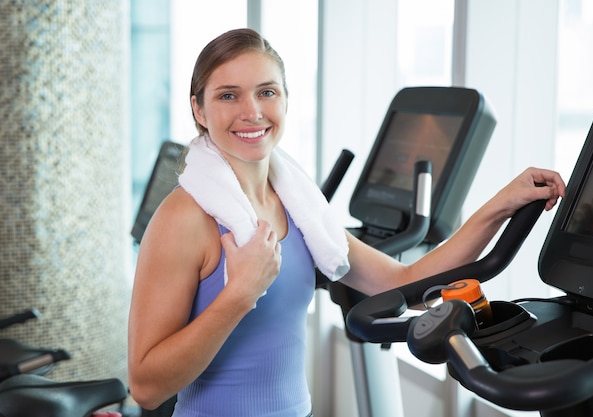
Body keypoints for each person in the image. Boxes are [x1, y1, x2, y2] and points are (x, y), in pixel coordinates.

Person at [127, 28, 566, 417]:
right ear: (199, 110)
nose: (252, 112)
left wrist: (500, 205)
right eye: (228, 95)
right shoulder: (184, 218)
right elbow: (146, 388)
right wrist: (240, 294)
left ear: (284, 99)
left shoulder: (296, 205)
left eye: (266, 92)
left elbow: (407, 283)